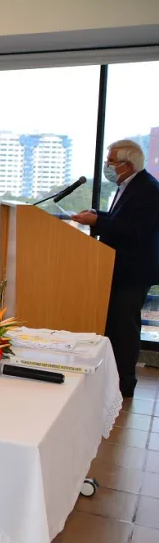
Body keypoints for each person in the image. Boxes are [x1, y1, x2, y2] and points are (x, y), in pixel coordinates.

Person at [72, 139, 159, 399]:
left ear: (127, 165)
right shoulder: (129, 185)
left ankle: (124, 383)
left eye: (111, 162)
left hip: (133, 271)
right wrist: (98, 215)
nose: (107, 166)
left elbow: (137, 230)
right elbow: (124, 219)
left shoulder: (149, 189)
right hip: (118, 268)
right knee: (114, 326)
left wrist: (97, 222)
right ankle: (110, 377)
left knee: (124, 328)